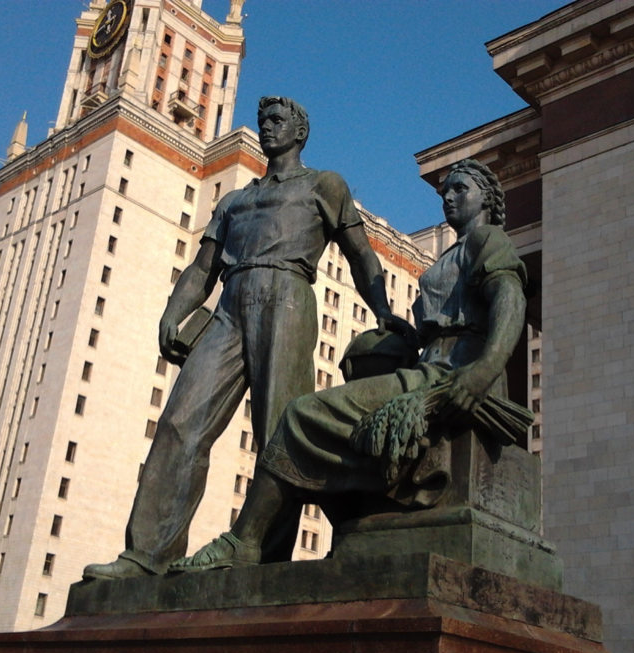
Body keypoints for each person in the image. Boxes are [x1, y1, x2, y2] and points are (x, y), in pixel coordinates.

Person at [84, 97, 412, 579]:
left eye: (278, 121)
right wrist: (174, 314)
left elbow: (360, 254)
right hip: (230, 304)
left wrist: (383, 313)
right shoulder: (235, 200)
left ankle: (263, 553)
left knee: (279, 431)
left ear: (300, 131)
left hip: (288, 297)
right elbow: (202, 269)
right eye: (263, 122)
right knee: (180, 422)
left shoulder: (324, 184)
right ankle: (148, 555)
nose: (267, 129)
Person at [174, 158, 528, 571]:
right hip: (425, 369)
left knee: (301, 416)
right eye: (445, 190)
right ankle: (352, 527)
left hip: (451, 373)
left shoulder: (488, 240)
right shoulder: (452, 254)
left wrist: (484, 371)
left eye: (460, 189)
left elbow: (510, 298)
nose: (448, 197)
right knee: (329, 431)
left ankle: (245, 541)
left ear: (486, 197)